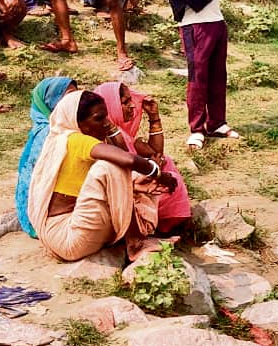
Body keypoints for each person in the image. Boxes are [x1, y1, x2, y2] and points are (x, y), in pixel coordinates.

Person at [27, 90, 176, 262]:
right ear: (79, 123)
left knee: (131, 178)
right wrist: (158, 174)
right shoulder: (74, 139)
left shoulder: (73, 141)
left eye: (106, 117)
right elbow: (127, 158)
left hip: (81, 228)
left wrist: (135, 184)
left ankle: (138, 237)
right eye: (98, 119)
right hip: (66, 235)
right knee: (111, 166)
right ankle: (136, 243)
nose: (106, 124)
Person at [157, 0, 236, 150]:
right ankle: (196, 129)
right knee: (198, 76)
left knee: (217, 74)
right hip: (194, 22)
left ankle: (217, 122)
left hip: (216, 19)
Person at [95, 82, 191, 234]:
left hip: (134, 183)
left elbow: (156, 152)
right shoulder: (103, 137)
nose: (132, 106)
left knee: (167, 162)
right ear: (110, 105)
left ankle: (164, 223)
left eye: (131, 100)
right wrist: (153, 167)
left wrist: (154, 117)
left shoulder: (122, 132)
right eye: (125, 102)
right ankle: (158, 227)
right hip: (119, 193)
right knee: (170, 181)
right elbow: (122, 173)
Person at [15, 76, 79, 238]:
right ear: (50, 102)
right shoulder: (48, 133)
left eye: (75, 95)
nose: (74, 101)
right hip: (44, 208)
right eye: (68, 97)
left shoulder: (67, 126)